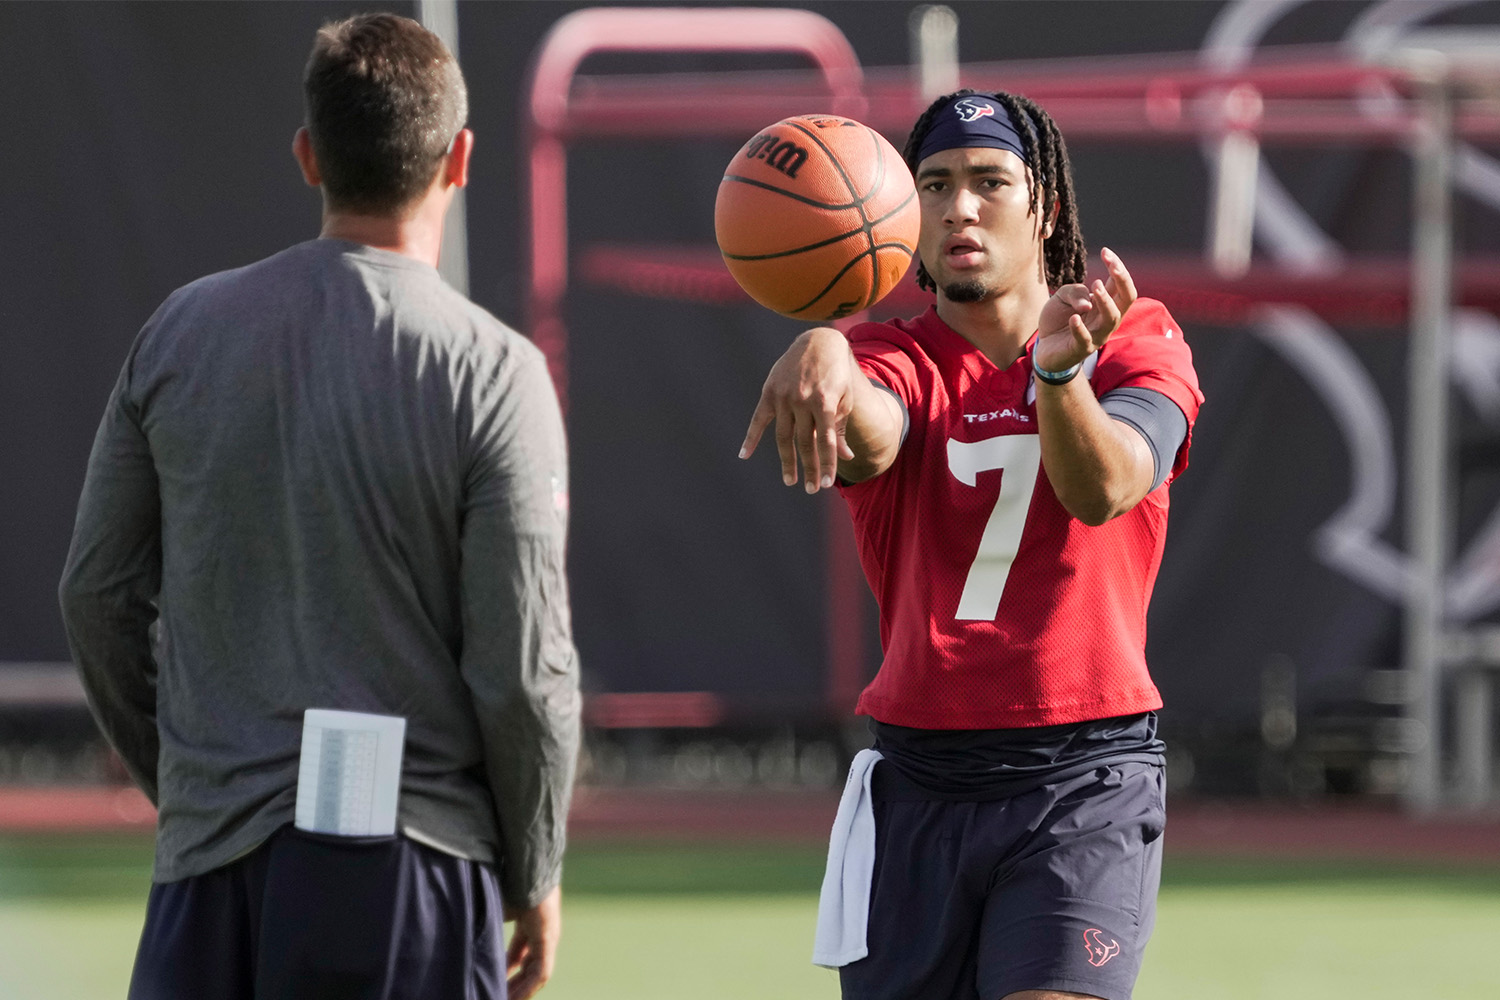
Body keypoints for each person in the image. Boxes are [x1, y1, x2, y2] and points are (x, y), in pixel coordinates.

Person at [57, 13, 579, 1000]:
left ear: (308, 155)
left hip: (207, 870)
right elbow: (522, 670)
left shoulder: (179, 332)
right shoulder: (496, 371)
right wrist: (537, 866)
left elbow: (96, 595)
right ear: (461, 159)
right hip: (413, 870)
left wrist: (196, 784)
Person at [741, 90, 1203, 1000]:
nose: (960, 207)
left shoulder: (1134, 339)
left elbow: (1103, 485)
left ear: (1048, 207)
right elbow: (872, 433)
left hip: (1083, 773)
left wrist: (1059, 372)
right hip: (919, 781)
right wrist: (828, 354)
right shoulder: (891, 355)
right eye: (936, 186)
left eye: (991, 181)